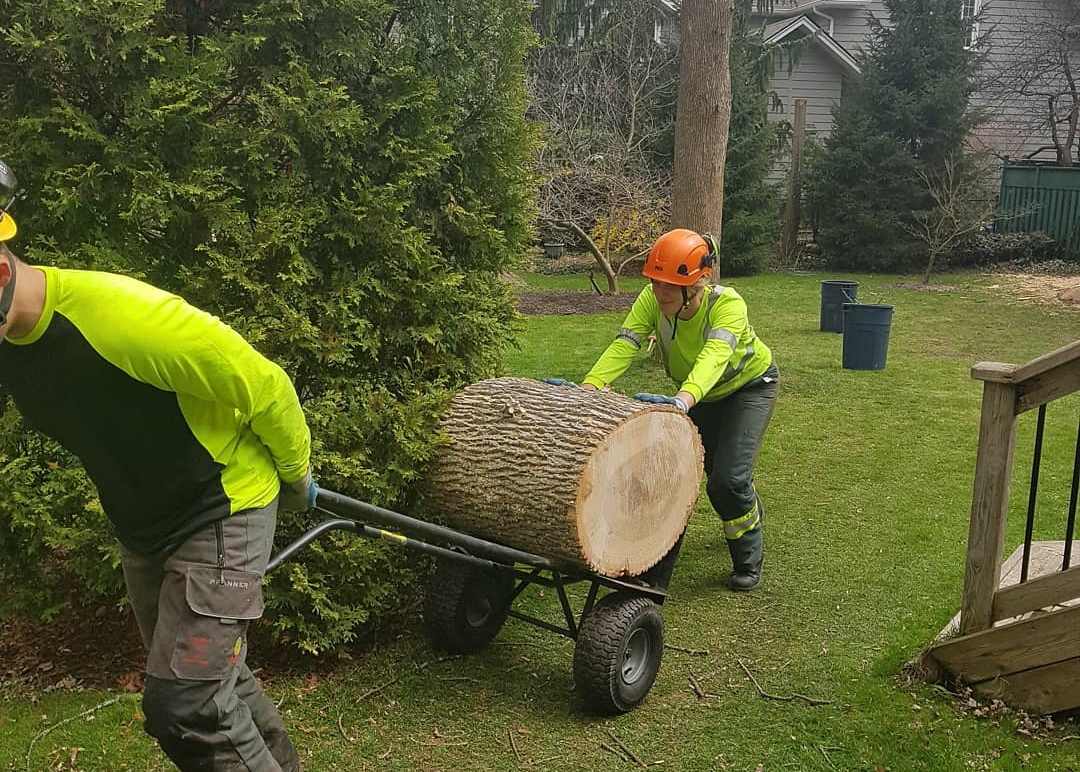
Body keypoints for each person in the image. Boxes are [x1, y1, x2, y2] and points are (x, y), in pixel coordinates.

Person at [0, 160, 312, 771]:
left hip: (224, 503)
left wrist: (298, 474)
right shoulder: (10, 343)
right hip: (144, 530)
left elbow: (263, 383)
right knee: (218, 685)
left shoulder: (120, 317)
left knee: (186, 703)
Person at [552, 228, 778, 591]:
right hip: (697, 395)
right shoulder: (650, 299)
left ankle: (748, 562)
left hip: (747, 389)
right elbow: (626, 343)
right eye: (656, 283)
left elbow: (715, 356)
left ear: (698, 283)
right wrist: (589, 388)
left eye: (670, 286)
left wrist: (683, 400)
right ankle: (657, 566)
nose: (660, 293)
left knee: (727, 482)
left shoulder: (728, 305)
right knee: (684, 474)